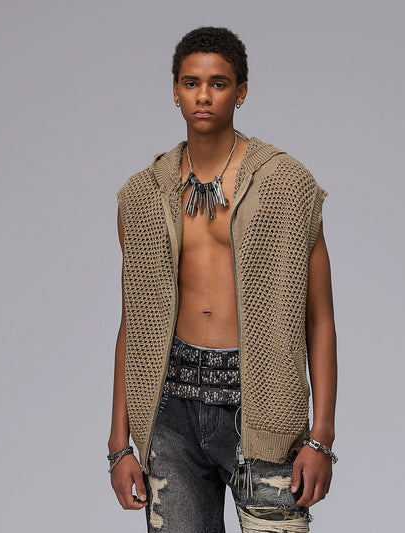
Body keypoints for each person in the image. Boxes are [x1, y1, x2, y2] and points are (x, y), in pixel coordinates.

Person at [108, 26, 337, 532]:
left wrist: (321, 436)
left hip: (264, 407)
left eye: (219, 83)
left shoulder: (285, 184)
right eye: (191, 83)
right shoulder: (142, 196)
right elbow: (134, 324)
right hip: (171, 411)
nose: (204, 95)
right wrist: (118, 443)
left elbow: (319, 318)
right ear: (175, 91)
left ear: (241, 91)